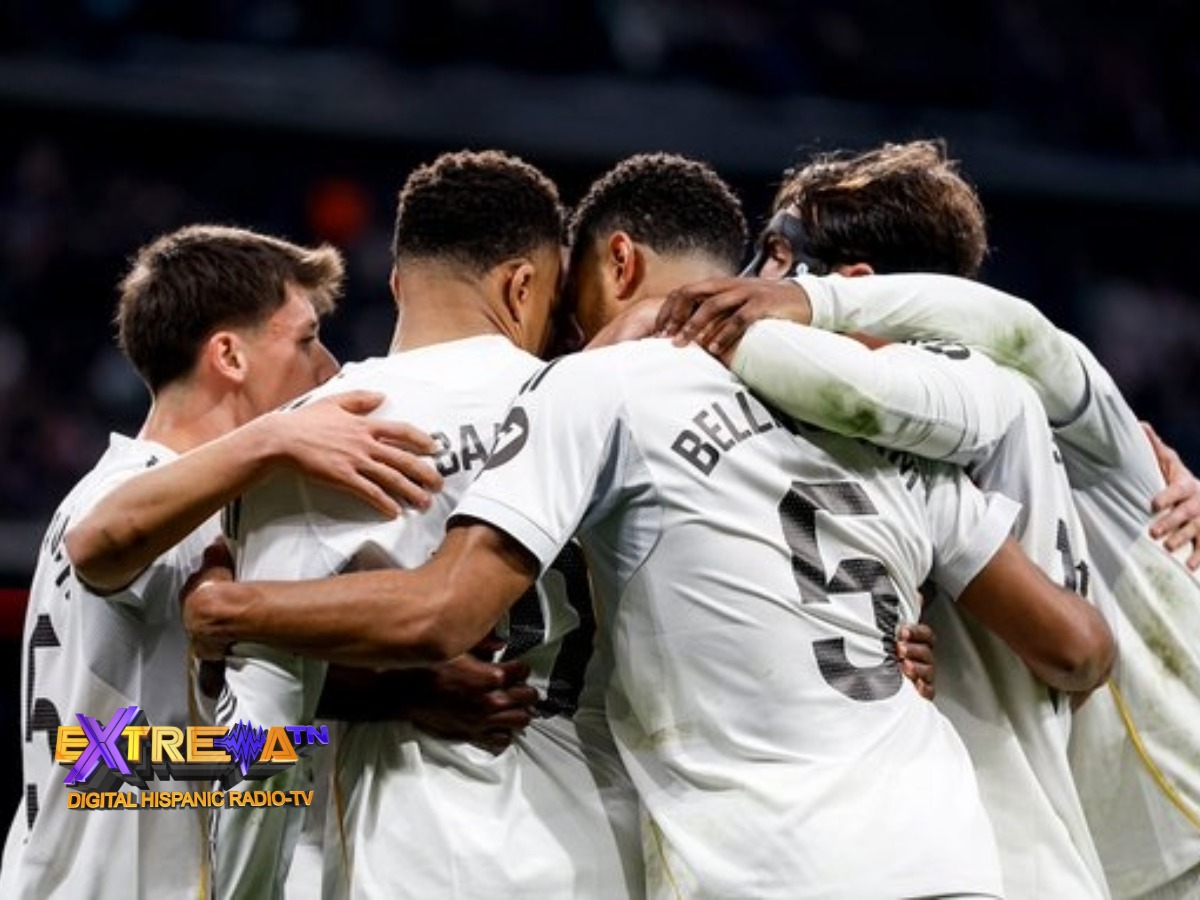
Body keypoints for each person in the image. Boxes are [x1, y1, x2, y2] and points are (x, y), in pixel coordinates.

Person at [182, 153, 1114, 899]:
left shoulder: (326, 437)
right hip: (763, 852)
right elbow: (1074, 642)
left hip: (438, 861)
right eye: (305, 335)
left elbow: (236, 728)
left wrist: (234, 636)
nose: (321, 356)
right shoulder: (876, 408)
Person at [652, 140, 1200, 900]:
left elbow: (1019, 335)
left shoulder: (1018, 399)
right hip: (1061, 852)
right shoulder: (872, 451)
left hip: (1176, 832)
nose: (747, 284)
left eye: (775, 256)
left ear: (856, 282)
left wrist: (738, 319)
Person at [210, 149, 643, 900]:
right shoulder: (611, 406)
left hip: (418, 863)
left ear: (397, 280)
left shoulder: (321, 433)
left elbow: (261, 720)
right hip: (605, 855)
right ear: (523, 284)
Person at [0, 224, 440, 899]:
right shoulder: (132, 491)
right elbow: (99, 544)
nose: (327, 369)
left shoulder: (175, 498)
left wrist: (404, 698)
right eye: (305, 339)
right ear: (229, 356)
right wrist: (274, 437)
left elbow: (161, 742)